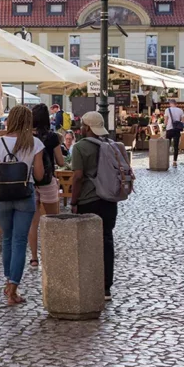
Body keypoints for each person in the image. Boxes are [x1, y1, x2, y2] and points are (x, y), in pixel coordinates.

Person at [0, 105, 44, 306]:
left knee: (7, 240)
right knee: (20, 241)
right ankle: (13, 288)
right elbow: (39, 175)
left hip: (2, 196)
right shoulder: (35, 143)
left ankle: (8, 281)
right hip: (24, 195)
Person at [70, 111, 120, 300]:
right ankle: (106, 287)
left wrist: (73, 202)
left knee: (87, 244)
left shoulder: (80, 147)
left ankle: (90, 284)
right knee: (107, 240)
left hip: (88, 200)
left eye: (82, 125)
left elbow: (77, 177)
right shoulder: (110, 145)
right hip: (109, 200)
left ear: (86, 128)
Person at [29, 104, 64, 269]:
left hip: (30, 182)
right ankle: (53, 254)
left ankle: (34, 258)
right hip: (47, 181)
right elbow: (61, 161)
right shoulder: (52, 137)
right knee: (53, 220)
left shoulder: (26, 137)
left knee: (33, 222)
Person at [164, 99, 184, 167]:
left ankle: (166, 160)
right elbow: (183, 121)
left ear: (170, 104)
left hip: (169, 129)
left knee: (167, 145)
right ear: (176, 104)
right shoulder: (180, 110)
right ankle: (174, 162)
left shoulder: (167, 110)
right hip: (177, 130)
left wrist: (165, 126)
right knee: (176, 146)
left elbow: (165, 121)